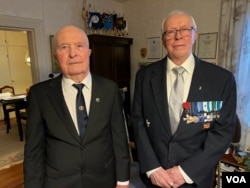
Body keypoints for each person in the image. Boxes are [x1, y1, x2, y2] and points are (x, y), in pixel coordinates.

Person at [131, 10, 236, 188]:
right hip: (155, 177)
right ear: (164, 39)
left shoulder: (221, 80)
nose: (178, 36)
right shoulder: (144, 76)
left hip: (195, 178)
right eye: (170, 32)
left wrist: (185, 171)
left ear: (194, 35)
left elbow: (223, 131)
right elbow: (138, 121)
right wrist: (152, 168)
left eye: (185, 30)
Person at [24, 25, 130, 188]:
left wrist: (123, 180)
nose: (73, 54)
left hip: (104, 180)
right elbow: (33, 151)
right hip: (58, 183)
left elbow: (119, 138)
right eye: (64, 47)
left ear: (88, 52)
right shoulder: (39, 94)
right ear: (55, 56)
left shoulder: (110, 89)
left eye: (79, 46)